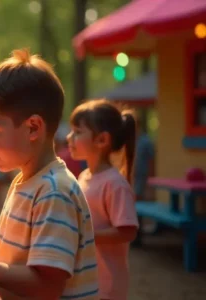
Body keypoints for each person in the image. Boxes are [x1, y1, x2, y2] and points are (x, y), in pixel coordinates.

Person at [0, 49, 99, 299]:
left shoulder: (54, 192)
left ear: (33, 127)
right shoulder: (27, 180)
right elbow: (9, 248)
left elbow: (46, 286)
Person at [68, 99, 139, 300]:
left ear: (101, 140)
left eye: (77, 131)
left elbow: (127, 231)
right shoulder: (83, 177)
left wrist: (83, 236)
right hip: (85, 279)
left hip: (106, 285)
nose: (69, 137)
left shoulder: (115, 184)